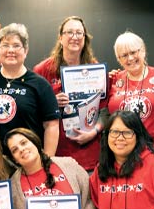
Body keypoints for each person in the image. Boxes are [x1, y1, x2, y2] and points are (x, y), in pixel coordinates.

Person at [34, 16, 105, 172]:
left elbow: (105, 110)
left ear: (85, 38)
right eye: (70, 32)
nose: (75, 37)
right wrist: (51, 103)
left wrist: (94, 131)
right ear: (60, 38)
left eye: (79, 33)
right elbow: (32, 110)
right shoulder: (42, 70)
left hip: (89, 153)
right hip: (57, 154)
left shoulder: (94, 68)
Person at [0, 23, 60, 156]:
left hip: (28, 158)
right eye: (5, 45)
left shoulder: (40, 84)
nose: (11, 50)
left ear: (25, 50)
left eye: (16, 46)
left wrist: (47, 161)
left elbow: (52, 126)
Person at [108, 32, 154, 166]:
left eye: (134, 52)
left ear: (143, 51)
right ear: (118, 59)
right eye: (124, 55)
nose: (130, 58)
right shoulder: (114, 79)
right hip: (122, 154)